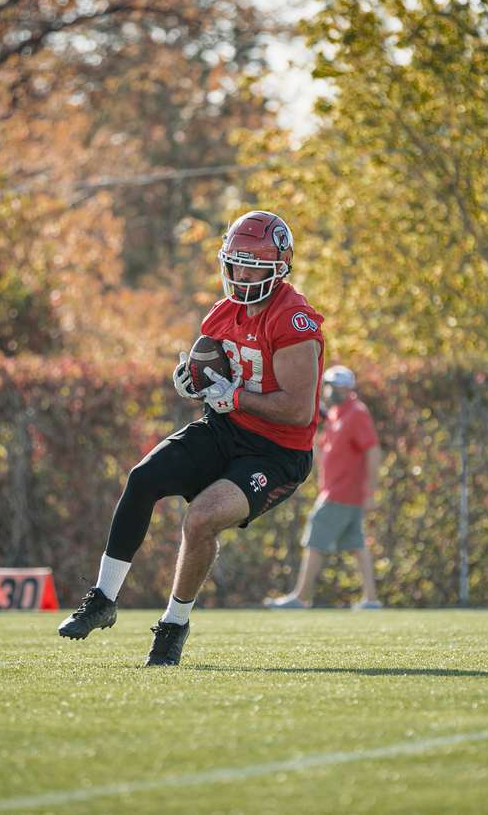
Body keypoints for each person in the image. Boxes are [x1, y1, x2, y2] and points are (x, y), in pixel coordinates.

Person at [57, 210, 324, 666]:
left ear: (277, 268)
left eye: (251, 265)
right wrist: (192, 380)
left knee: (201, 519)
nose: (240, 274)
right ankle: (104, 598)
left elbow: (299, 410)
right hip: (224, 429)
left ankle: (173, 625)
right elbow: (213, 376)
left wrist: (233, 395)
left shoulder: (293, 319)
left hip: (276, 451)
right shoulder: (222, 314)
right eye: (234, 263)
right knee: (143, 478)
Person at [263, 365, 382, 609]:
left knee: (315, 535)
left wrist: (370, 492)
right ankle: (371, 599)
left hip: (341, 494)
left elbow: (373, 451)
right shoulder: (336, 415)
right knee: (357, 546)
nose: (329, 391)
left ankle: (301, 597)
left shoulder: (356, 413)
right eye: (328, 386)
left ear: (348, 388)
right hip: (339, 492)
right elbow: (321, 453)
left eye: (334, 386)